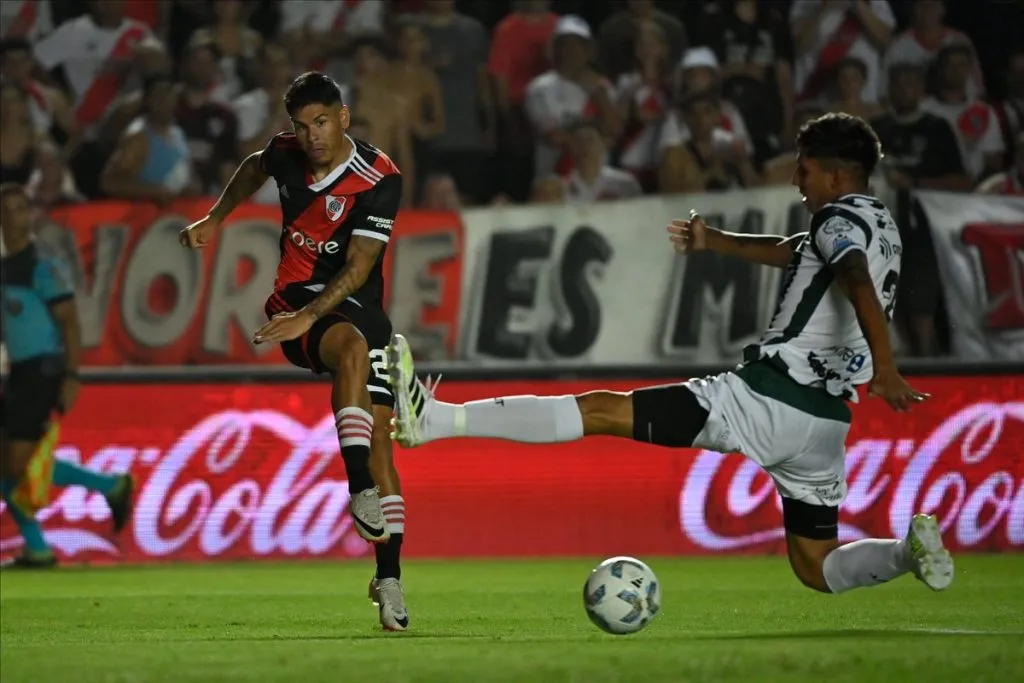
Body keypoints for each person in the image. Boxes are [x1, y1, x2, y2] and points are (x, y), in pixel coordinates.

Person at [389, 113, 955, 596]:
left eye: (804, 169)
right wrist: (717, 242)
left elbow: (850, 273)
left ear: (834, 174)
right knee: (817, 566)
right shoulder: (879, 224)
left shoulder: (834, 221)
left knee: (602, 410)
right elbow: (802, 253)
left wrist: (887, 365)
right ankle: (908, 552)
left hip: (768, 398)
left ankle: (437, 420)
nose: (795, 179)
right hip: (825, 423)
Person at [178, 72, 409, 630]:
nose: (312, 136)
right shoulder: (286, 154)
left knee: (383, 440)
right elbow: (255, 165)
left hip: (351, 302)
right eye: (302, 126)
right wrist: (216, 216)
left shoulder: (379, 177)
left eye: (322, 122)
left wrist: (309, 316)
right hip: (295, 300)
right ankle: (358, 491)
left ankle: (390, 581)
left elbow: (358, 268)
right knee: (351, 349)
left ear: (344, 118)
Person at [0, 183, 133, 569]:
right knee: (7, 463)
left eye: (18, 208)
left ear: (29, 216)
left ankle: (110, 486)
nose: (11, 216)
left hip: (42, 370)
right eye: (5, 209)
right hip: (17, 372)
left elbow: (70, 323)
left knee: (16, 464)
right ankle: (38, 549)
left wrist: (72, 375)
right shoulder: (7, 267)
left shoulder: (42, 265)